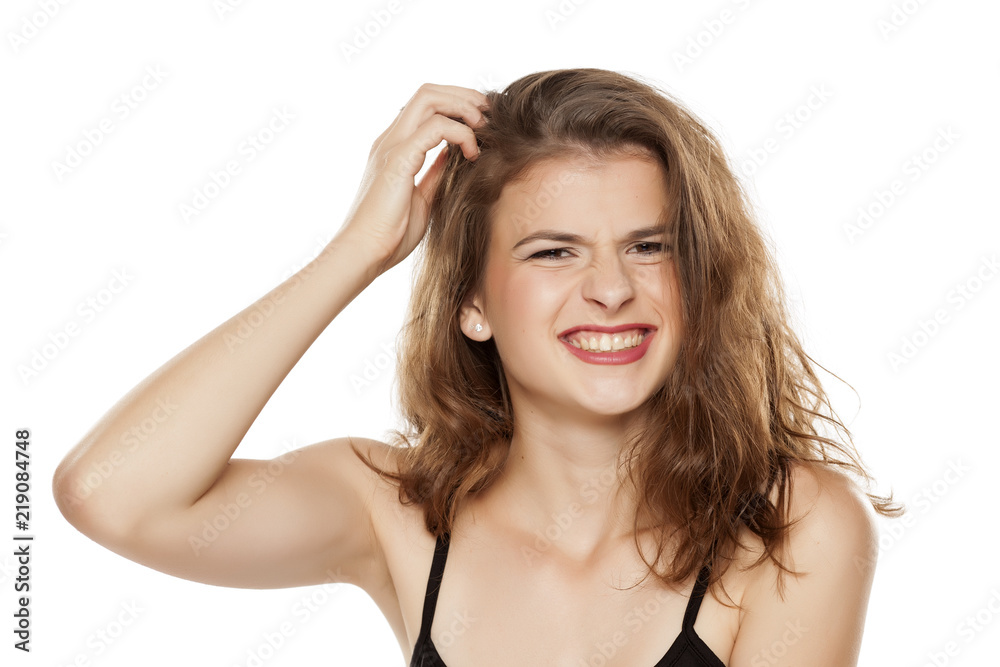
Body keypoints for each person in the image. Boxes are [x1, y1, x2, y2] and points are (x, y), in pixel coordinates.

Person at [53, 68, 903, 666]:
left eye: (649, 246)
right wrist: (359, 249)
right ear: (473, 304)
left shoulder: (793, 528)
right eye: (553, 251)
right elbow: (113, 492)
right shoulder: (394, 510)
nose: (611, 288)